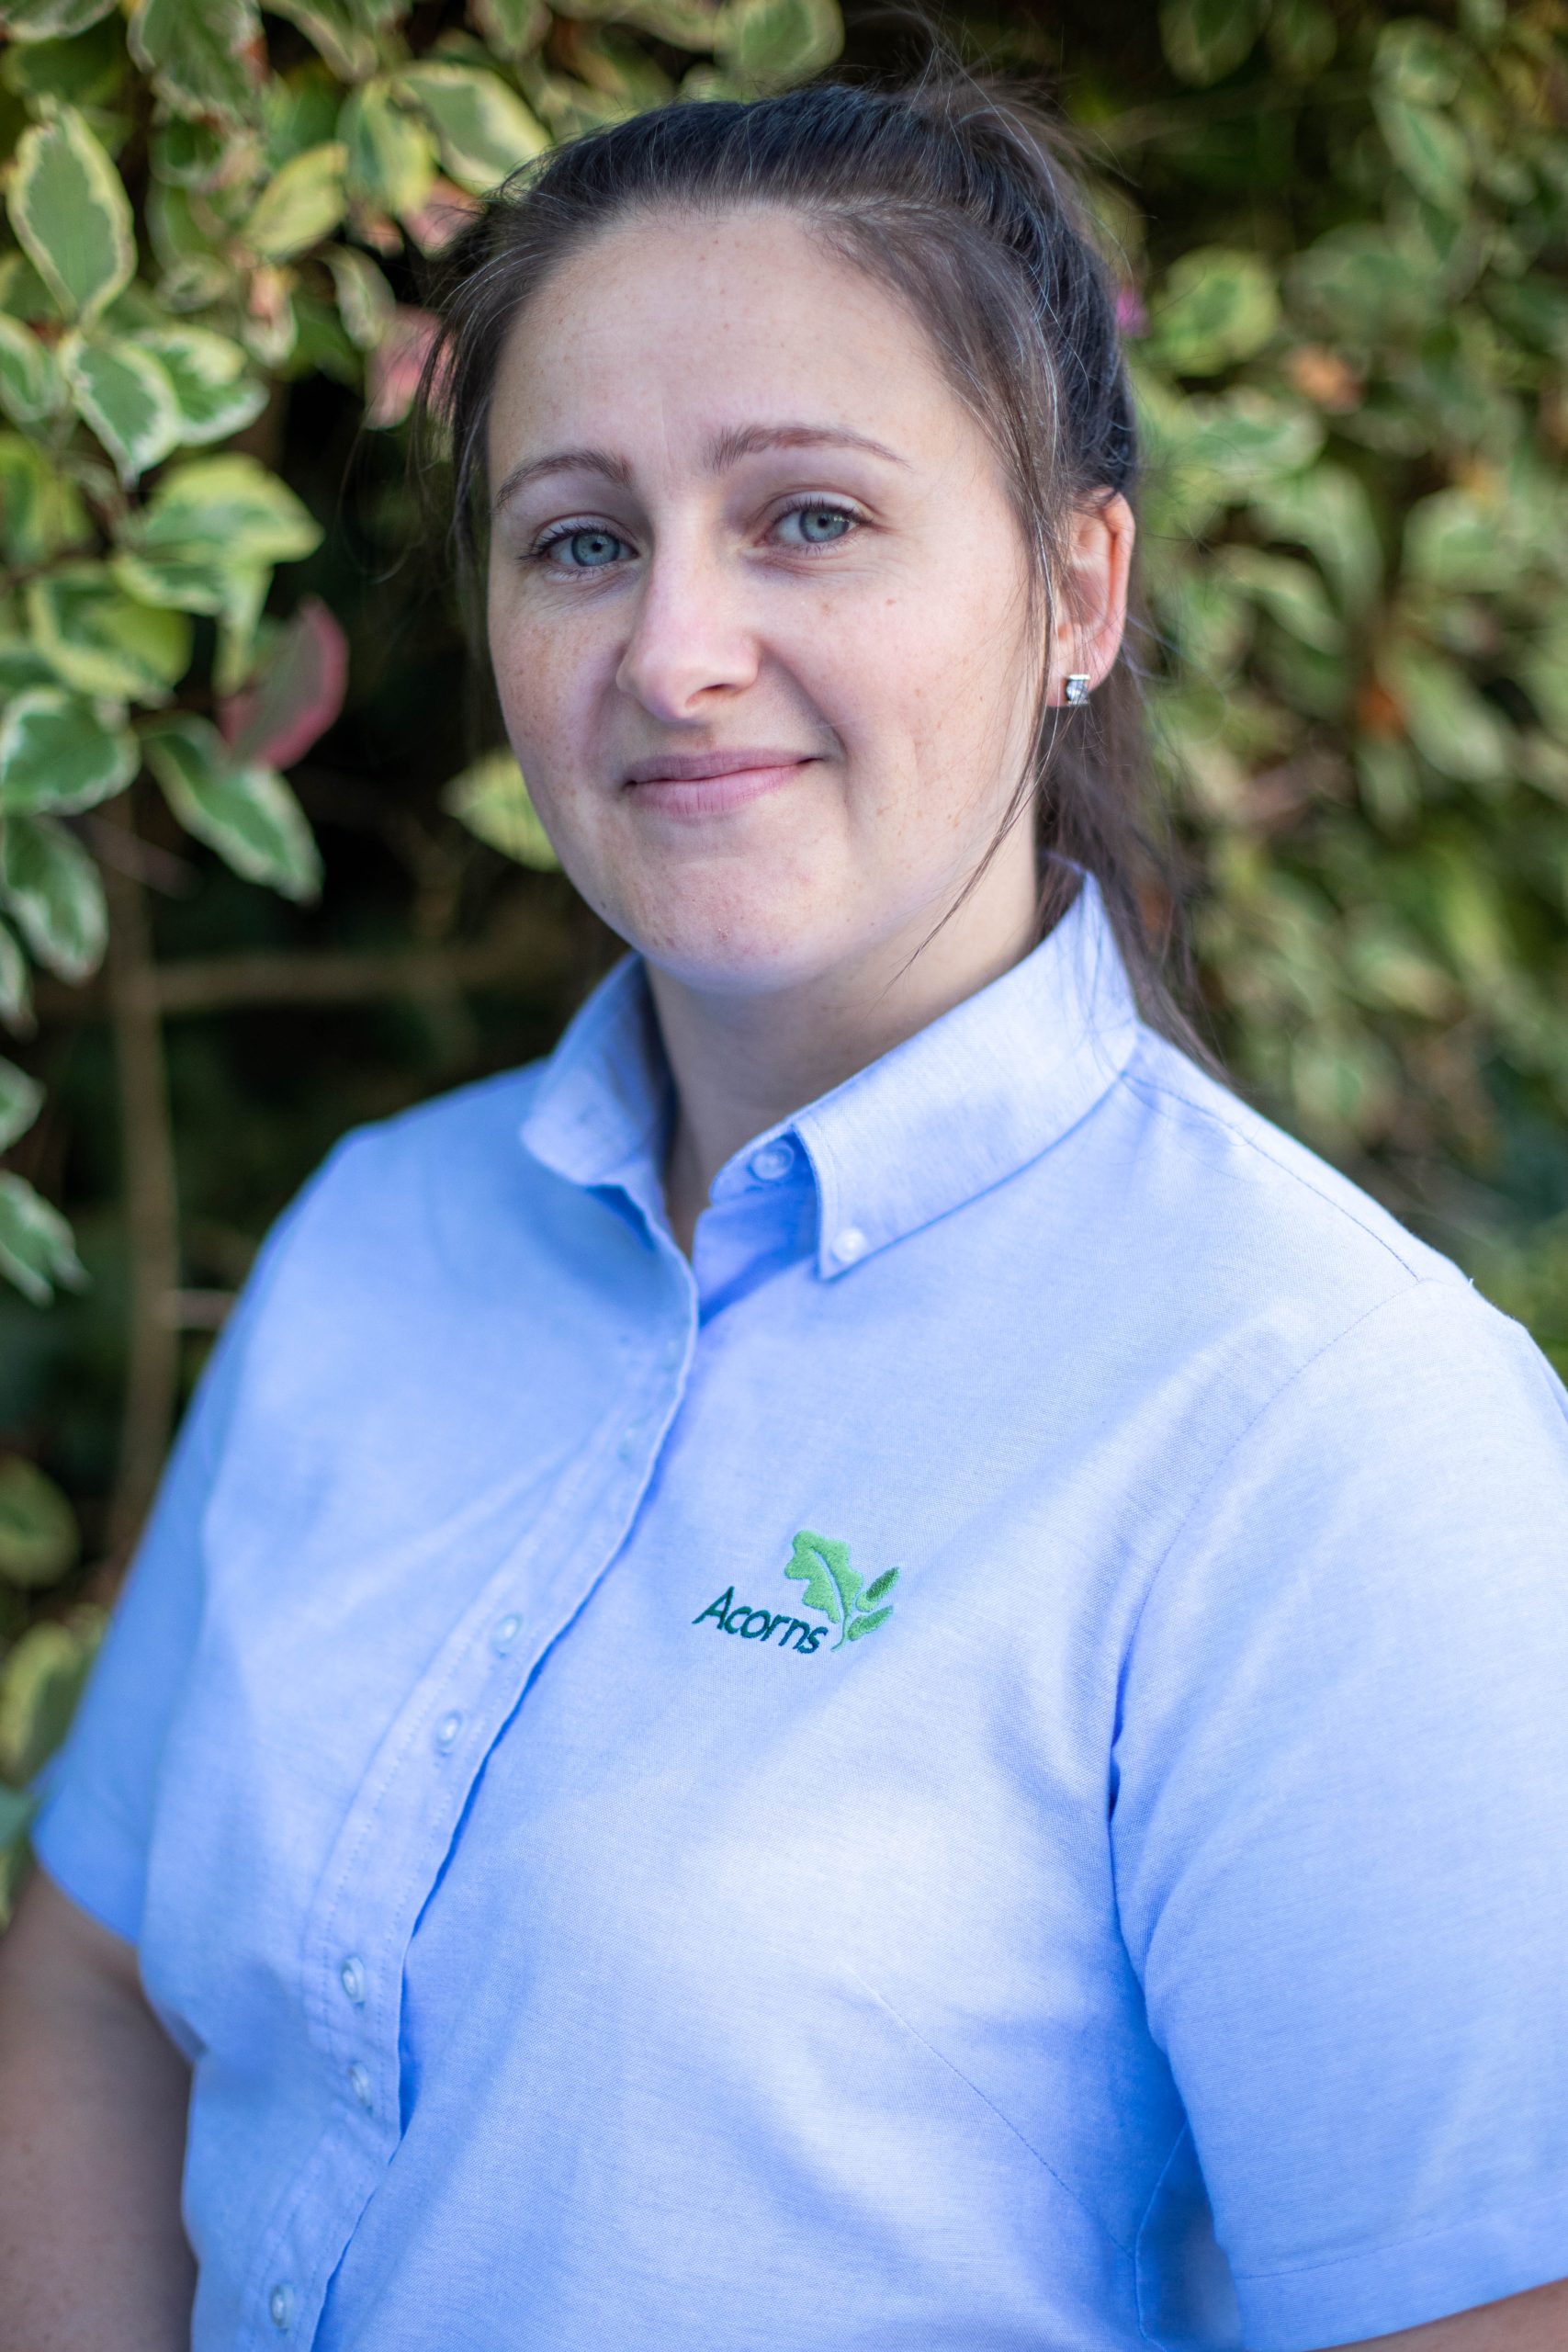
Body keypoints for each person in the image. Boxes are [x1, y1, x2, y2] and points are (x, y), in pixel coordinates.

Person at [2, 68, 1566, 2352]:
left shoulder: (1332, 1430)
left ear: (1072, 584)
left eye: (808, 517)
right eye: (577, 537)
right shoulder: (374, 1235)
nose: (674, 650)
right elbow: (99, 1987)